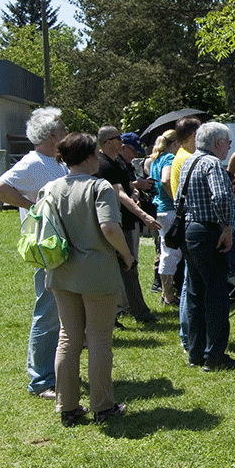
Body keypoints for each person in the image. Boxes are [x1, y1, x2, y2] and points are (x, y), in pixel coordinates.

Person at [44, 132, 131, 426]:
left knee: (68, 338)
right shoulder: (99, 187)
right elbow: (109, 228)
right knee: (98, 339)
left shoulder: (51, 187)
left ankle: (67, 407)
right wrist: (127, 255)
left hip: (60, 270)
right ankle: (103, 406)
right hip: (96, 273)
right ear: (91, 156)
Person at [0, 107, 68, 399]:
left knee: (60, 313)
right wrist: (32, 206)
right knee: (47, 313)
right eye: (62, 128)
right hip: (47, 248)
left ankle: (55, 372)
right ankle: (40, 380)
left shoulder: (56, 162)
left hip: (60, 246)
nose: (67, 132)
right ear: (51, 135)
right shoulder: (33, 162)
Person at [179, 121, 235, 372]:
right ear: (217, 143)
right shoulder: (213, 164)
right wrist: (226, 228)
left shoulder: (189, 162)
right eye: (228, 142)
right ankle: (214, 355)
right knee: (216, 295)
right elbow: (221, 196)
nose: (229, 147)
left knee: (196, 293)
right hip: (209, 232)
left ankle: (196, 352)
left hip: (190, 230)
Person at [95, 127, 160, 324]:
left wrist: (135, 194)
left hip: (125, 221)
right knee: (124, 266)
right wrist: (144, 216)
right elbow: (119, 194)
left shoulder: (118, 162)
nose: (122, 142)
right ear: (107, 142)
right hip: (114, 223)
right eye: (118, 138)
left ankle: (134, 311)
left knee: (129, 266)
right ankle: (125, 313)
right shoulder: (103, 164)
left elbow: (129, 187)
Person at [149, 130, 181, 305]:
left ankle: (166, 292)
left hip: (159, 208)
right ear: (175, 143)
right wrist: (176, 199)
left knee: (166, 250)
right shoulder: (169, 158)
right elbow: (165, 180)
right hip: (168, 209)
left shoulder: (156, 158)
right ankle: (168, 295)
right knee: (171, 253)